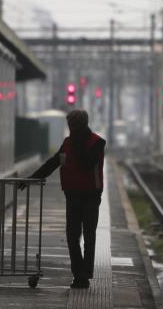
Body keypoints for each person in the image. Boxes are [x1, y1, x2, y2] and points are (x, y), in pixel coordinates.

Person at [26, 109, 106, 289]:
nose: (70, 129)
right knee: (72, 237)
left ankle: (84, 276)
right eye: (69, 125)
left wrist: (77, 144)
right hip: (72, 196)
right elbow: (53, 163)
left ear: (79, 125)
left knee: (89, 235)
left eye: (72, 125)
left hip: (91, 197)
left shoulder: (97, 143)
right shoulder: (67, 143)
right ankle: (79, 273)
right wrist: (31, 178)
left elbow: (88, 163)